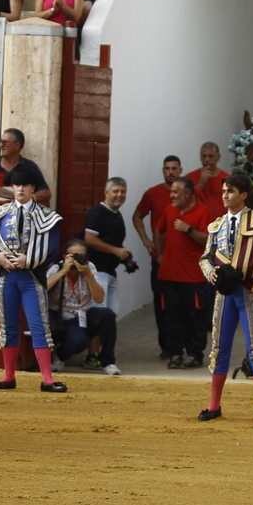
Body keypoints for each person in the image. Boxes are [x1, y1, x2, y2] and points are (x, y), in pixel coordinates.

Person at [197, 173, 253, 423]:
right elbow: (205, 257)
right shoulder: (216, 226)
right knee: (219, 349)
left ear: (244, 195)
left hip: (250, 291)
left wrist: (242, 272)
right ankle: (214, 405)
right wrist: (211, 273)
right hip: (225, 294)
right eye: (224, 190)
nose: (225, 195)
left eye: (230, 191)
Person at [0, 166, 67, 393]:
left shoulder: (47, 216)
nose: (20, 189)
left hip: (31, 278)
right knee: (8, 328)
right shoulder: (0, 212)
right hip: (7, 278)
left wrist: (29, 260)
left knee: (39, 327)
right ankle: (8, 376)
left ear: (32, 188)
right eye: (16, 185)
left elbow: (53, 249)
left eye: (24, 185)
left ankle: (47, 379)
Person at [155, 175, 210, 369]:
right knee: (172, 316)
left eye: (175, 192)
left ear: (187, 194)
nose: (171, 195)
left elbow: (207, 239)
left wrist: (188, 230)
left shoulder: (202, 211)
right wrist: (159, 254)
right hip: (169, 275)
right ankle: (175, 352)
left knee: (195, 317)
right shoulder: (170, 210)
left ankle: (195, 354)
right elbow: (159, 229)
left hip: (193, 277)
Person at [47, 238, 120, 374]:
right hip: (62, 317)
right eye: (74, 256)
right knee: (80, 341)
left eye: (81, 256)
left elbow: (99, 298)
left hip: (83, 313)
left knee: (108, 315)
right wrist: (63, 271)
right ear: (64, 256)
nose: (77, 259)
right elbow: (43, 289)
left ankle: (108, 362)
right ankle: (60, 356)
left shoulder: (89, 267)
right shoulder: (56, 268)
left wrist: (87, 274)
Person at [132, 154, 181, 357]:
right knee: (163, 304)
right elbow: (138, 215)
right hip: (160, 259)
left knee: (184, 305)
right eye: (167, 168)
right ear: (163, 171)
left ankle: (184, 346)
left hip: (184, 260)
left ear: (180, 170)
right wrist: (145, 239)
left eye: (174, 168)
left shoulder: (188, 194)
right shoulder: (153, 193)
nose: (170, 172)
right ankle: (167, 347)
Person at [83, 176, 132, 314]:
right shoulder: (97, 212)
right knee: (99, 316)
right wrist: (115, 250)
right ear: (106, 192)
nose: (120, 195)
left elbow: (114, 243)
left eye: (123, 192)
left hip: (111, 271)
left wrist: (124, 257)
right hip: (97, 272)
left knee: (111, 315)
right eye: (116, 191)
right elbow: (90, 238)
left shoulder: (117, 214)